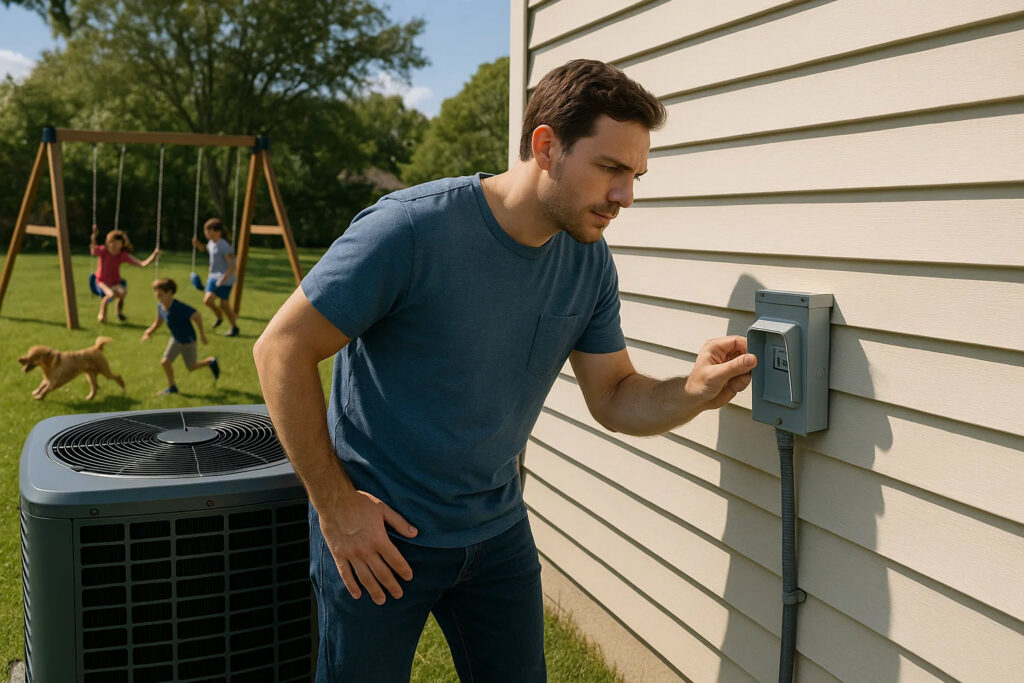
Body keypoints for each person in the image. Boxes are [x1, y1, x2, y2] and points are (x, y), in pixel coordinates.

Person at [253, 59, 757, 682]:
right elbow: (281, 349)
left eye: (635, 175)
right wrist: (335, 507)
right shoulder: (412, 229)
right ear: (546, 146)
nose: (626, 195)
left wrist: (694, 391)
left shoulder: (589, 262)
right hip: (378, 535)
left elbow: (615, 397)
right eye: (611, 169)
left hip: (496, 535)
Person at [142, 278, 219, 395]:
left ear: (170, 292)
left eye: (161, 295)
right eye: (157, 295)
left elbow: (197, 315)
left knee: (191, 367)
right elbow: (158, 322)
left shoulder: (179, 307)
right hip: (175, 338)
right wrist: (149, 332)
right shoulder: (160, 306)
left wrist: (202, 335)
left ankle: (210, 361)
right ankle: (172, 387)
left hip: (188, 340)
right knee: (165, 362)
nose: (158, 297)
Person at [89, 225, 160, 323]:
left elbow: (142, 264)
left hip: (115, 282)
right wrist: (94, 236)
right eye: (111, 244)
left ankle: (119, 312)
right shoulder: (103, 251)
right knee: (110, 295)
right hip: (102, 281)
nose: (114, 247)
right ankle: (102, 315)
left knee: (122, 293)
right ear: (108, 244)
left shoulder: (122, 255)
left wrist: (154, 255)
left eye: (117, 245)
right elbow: (93, 250)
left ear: (122, 245)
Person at [191, 217, 240, 337]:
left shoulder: (224, 246)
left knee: (224, 304)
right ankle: (219, 316)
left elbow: (232, 266)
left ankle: (234, 327)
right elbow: (205, 249)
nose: (206, 233)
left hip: (226, 278)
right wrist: (198, 245)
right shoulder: (211, 243)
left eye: (208, 230)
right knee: (207, 300)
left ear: (217, 232)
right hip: (213, 276)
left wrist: (222, 280)